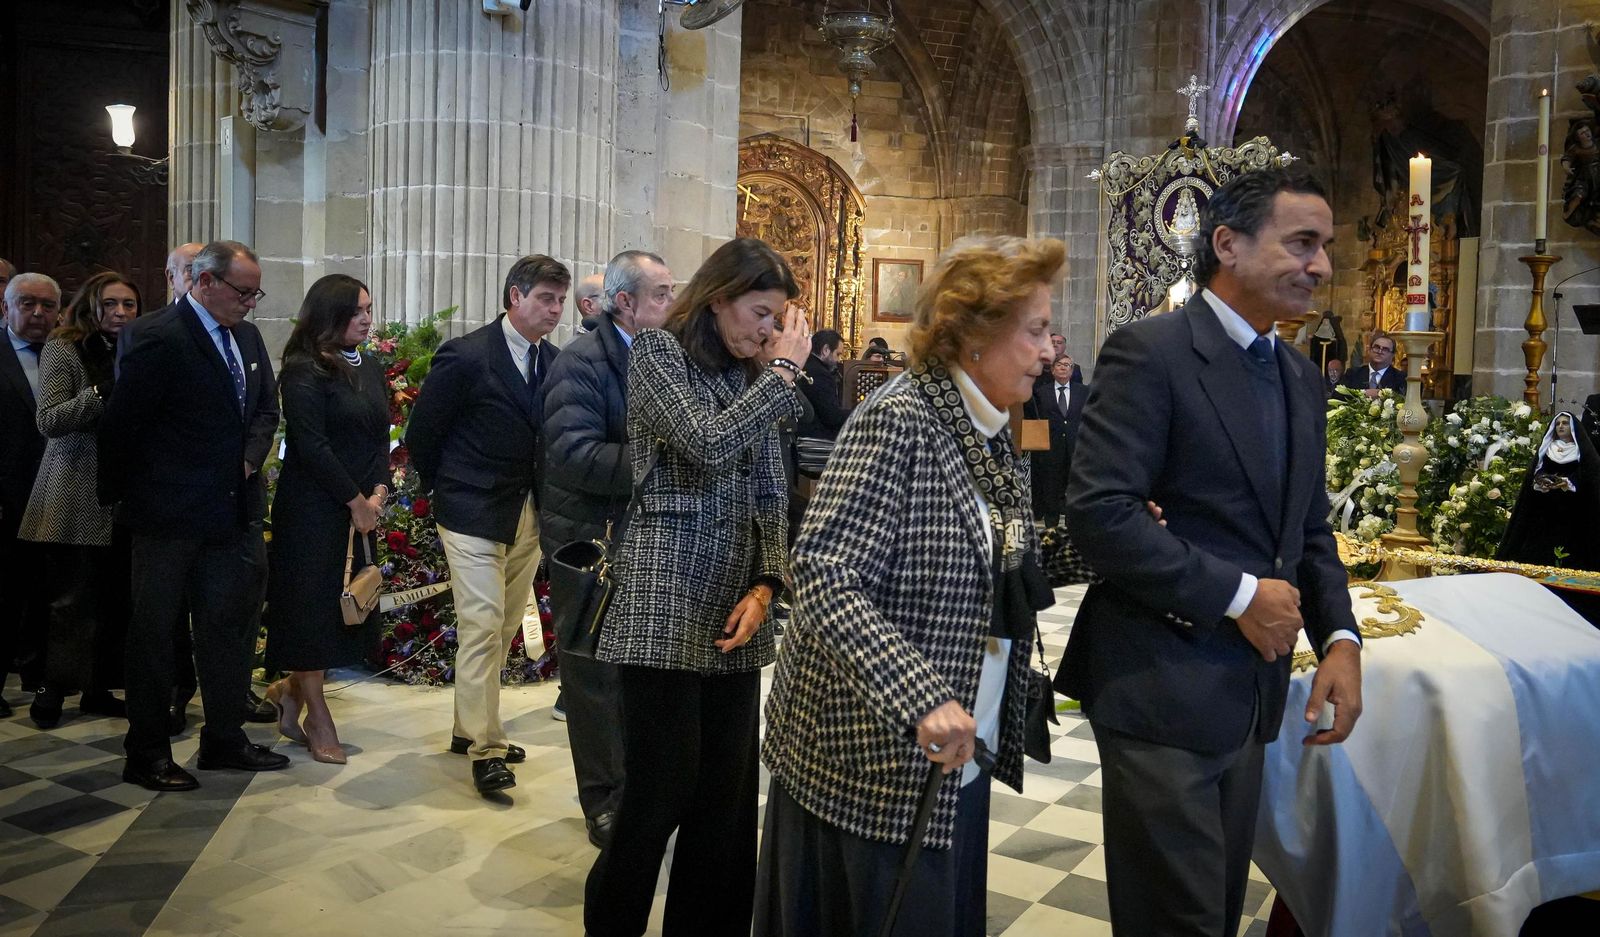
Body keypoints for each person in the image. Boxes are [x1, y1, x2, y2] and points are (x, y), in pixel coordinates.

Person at [1059, 168, 1363, 937]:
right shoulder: (1150, 351)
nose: (1321, 266)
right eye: (1302, 243)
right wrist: (1240, 595)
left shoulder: (1298, 373)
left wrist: (1340, 635)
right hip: (1161, 679)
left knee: (1218, 913)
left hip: (1248, 697)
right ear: (1228, 243)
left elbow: (1308, 528)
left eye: (1324, 247)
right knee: (1180, 922)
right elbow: (1100, 512)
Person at [756, 236, 1064, 936]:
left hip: (960, 749)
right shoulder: (902, 418)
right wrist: (922, 695)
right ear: (972, 335)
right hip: (877, 757)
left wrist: (1107, 545)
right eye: (1036, 330)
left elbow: (1012, 555)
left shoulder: (994, 428)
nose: (1048, 349)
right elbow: (826, 572)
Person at [583, 237, 809, 937]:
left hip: (736, 607)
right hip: (666, 599)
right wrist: (779, 377)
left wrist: (769, 583)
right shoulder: (657, 353)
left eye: (776, 319)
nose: (768, 331)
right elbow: (704, 444)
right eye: (760, 312)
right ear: (719, 298)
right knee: (658, 795)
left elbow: (772, 493)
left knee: (727, 802)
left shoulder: (754, 375)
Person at [99, 239, 289, 792]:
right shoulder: (159, 336)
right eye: (243, 291)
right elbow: (122, 426)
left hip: (233, 515)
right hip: (168, 517)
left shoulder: (247, 337)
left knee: (228, 630)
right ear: (203, 283)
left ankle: (224, 739)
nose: (251, 303)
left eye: (256, 293)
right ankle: (148, 753)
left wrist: (250, 459)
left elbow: (265, 409)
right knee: (156, 637)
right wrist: (128, 500)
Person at [406, 254, 566, 796]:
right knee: (482, 620)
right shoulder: (467, 355)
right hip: (472, 508)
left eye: (561, 300)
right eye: (546, 298)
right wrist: (441, 490)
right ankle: (487, 749)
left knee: (500, 628)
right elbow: (423, 432)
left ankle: (465, 727)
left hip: (527, 513)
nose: (556, 310)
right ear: (515, 296)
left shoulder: (555, 361)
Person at [542, 249, 674, 848]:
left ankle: (639, 790)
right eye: (662, 294)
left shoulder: (661, 357)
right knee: (593, 682)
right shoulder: (581, 362)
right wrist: (663, 460)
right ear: (626, 302)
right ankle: (603, 800)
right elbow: (573, 453)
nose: (673, 305)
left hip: (644, 538)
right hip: (589, 541)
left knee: (638, 678)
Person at [260, 275, 390, 765]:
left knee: (348, 605)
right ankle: (318, 716)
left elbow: (382, 437)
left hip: (360, 506)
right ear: (329, 314)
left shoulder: (371, 367)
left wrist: (377, 492)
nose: (366, 319)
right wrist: (354, 500)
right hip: (313, 508)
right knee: (311, 612)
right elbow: (311, 444)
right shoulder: (302, 369)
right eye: (356, 311)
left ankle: (290, 692)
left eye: (369, 309)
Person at [17, 273, 140, 728]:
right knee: (71, 601)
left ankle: (98, 688)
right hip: (73, 488)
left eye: (129, 304)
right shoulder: (63, 347)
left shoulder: (138, 349)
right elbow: (49, 420)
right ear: (91, 305)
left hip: (123, 495)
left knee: (113, 600)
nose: (121, 313)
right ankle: (51, 689)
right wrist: (99, 393)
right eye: (111, 304)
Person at [0, 272, 57, 718]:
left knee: (47, 590)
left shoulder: (67, 353)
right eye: (27, 304)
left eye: (47, 305)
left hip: (57, 492)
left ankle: (42, 675)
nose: (38, 313)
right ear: (6, 308)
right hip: (7, 491)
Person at [1498, 411, 1600, 571]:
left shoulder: (1582, 452)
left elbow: (1589, 479)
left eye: (1565, 423)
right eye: (1558, 423)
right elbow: (1537, 472)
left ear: (1572, 427)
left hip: (1572, 514)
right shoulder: (1547, 449)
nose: (1561, 426)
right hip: (1545, 511)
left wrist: (1569, 483)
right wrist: (1540, 481)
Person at [1028, 351, 1088, 527]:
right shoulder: (1040, 392)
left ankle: (1072, 526)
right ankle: (1051, 528)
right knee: (1050, 488)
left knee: (1074, 489)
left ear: (1072, 371)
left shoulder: (1083, 392)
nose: (1063, 369)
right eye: (1059, 366)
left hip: (1075, 448)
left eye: (1067, 366)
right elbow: (1034, 417)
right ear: (1053, 370)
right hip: (1050, 449)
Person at [797, 329, 848, 440]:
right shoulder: (820, 373)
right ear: (825, 350)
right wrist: (859, 412)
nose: (839, 360)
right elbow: (832, 418)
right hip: (816, 439)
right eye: (838, 354)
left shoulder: (806, 364)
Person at [1339, 332, 1404, 396]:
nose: (1380, 351)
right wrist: (1362, 394)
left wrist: (1381, 395)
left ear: (1392, 355)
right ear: (1370, 350)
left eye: (1385, 349)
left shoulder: (1401, 378)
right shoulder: (1352, 374)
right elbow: (1337, 398)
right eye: (1377, 347)